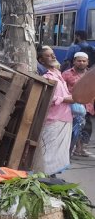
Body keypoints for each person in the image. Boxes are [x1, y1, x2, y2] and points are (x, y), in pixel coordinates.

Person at [32, 46, 75, 175]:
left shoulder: (57, 73)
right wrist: (66, 99)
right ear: (41, 60)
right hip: (53, 120)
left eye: (53, 54)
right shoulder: (46, 76)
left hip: (64, 118)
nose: (53, 57)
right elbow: (47, 98)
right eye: (49, 55)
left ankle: (51, 177)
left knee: (57, 156)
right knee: (49, 155)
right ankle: (46, 178)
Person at [62, 52, 92, 157]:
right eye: (79, 61)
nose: (81, 63)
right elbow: (61, 89)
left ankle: (80, 148)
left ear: (88, 62)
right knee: (72, 130)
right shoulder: (66, 74)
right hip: (72, 107)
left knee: (86, 128)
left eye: (84, 61)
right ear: (74, 61)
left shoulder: (90, 75)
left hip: (87, 107)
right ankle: (69, 150)